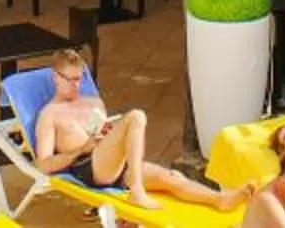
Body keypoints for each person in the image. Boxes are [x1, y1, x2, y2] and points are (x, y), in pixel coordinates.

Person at [31, 48, 226, 208]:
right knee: (136, 117)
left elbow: (108, 138)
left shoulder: (93, 103)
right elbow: (43, 165)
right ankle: (137, 189)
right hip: (88, 166)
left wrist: (110, 131)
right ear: (56, 77)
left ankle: (220, 200)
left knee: (171, 177)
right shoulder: (50, 114)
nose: (77, 85)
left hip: (116, 164)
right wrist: (80, 150)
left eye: (79, 79)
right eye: (70, 79)